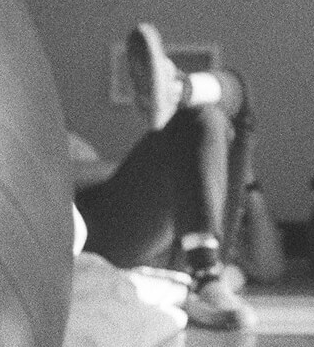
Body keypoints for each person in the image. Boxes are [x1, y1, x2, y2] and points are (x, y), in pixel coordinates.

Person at [72, 22, 285, 330]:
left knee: (213, 114)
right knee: (206, 115)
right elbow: (59, 182)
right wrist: (183, 166)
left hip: (193, 246)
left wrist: (248, 184)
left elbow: (271, 269)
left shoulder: (217, 194)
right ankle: (180, 89)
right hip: (116, 234)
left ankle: (178, 89)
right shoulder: (67, 144)